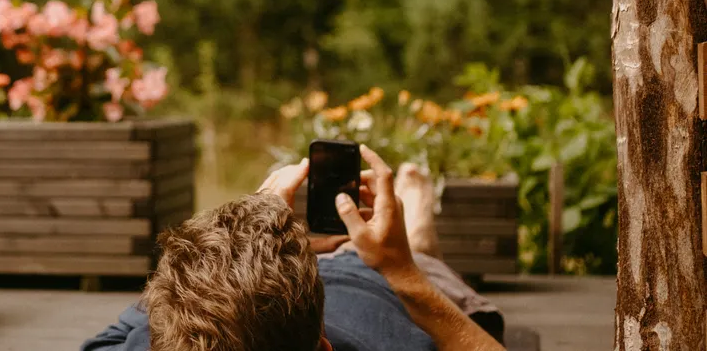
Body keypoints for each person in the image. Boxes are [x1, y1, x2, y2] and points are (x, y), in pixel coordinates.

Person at [82, 144, 505, 351]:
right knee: (427, 257)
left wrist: (237, 254)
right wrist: (402, 270)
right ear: (325, 349)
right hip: (380, 285)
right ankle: (418, 224)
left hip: (289, 287)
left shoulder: (153, 340)